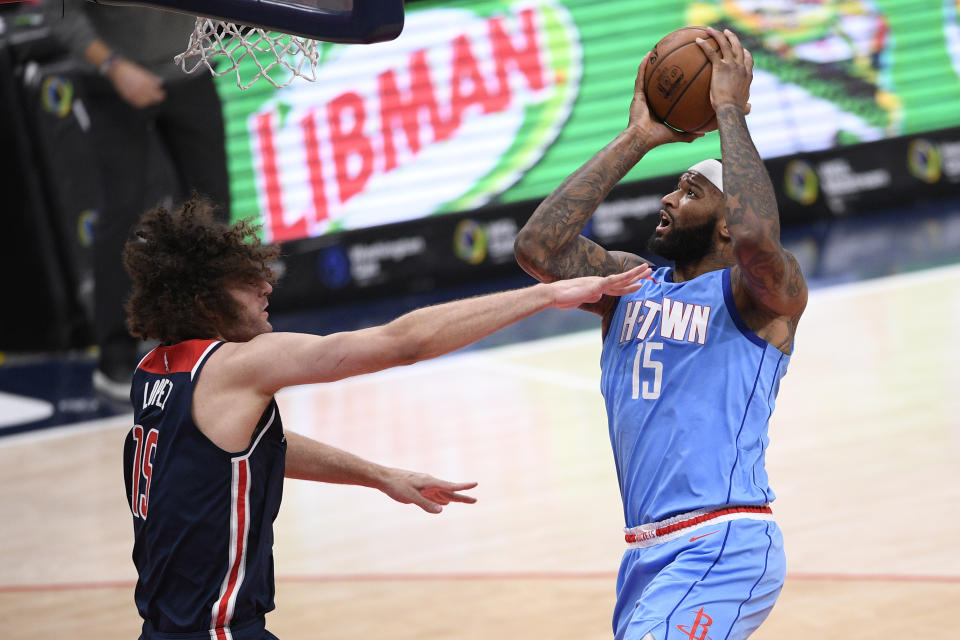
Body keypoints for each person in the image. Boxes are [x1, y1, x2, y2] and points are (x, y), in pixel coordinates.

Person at [121, 196, 651, 640]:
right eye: (244, 282)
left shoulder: (157, 373)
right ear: (203, 299)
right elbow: (402, 344)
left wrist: (379, 475)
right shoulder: (237, 366)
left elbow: (246, 452)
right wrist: (547, 294)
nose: (266, 288)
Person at [513, 28, 807, 640]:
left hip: (722, 540)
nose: (668, 199)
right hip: (645, 552)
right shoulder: (630, 283)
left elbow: (757, 240)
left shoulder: (759, 295)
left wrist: (728, 107)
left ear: (727, 225)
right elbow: (539, 249)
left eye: (690, 193)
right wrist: (638, 137)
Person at [44, 0, 230, 399]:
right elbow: (56, 13)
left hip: (189, 65)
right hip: (111, 78)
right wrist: (114, 66)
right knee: (123, 213)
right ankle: (114, 354)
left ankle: (217, 336)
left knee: (212, 210)